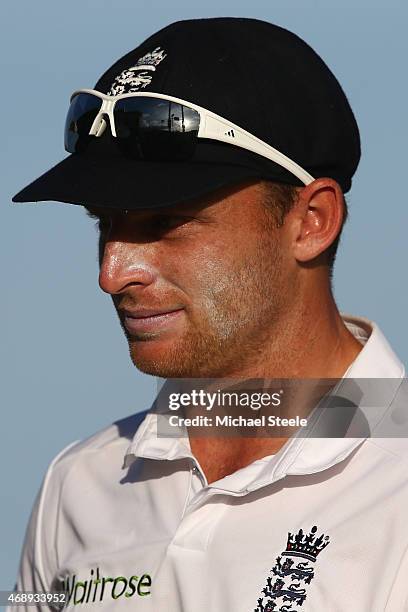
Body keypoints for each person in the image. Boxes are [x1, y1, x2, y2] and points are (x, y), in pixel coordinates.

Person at [8, 17, 408, 612]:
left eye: (166, 223)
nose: (112, 274)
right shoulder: (78, 485)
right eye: (104, 224)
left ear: (313, 221)